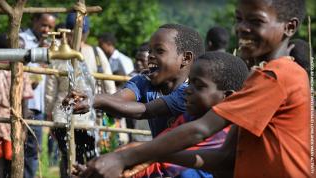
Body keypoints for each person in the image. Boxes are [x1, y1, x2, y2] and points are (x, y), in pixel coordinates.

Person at [74, 0, 311, 177]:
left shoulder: (276, 76)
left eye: (256, 21)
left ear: (289, 27)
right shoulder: (264, 78)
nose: (242, 28)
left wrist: (125, 156)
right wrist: (149, 157)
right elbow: (226, 159)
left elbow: (201, 129)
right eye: (239, 19)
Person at [64, 23, 205, 138]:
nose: (150, 56)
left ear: (185, 58)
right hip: (163, 164)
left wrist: (96, 100)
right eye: (150, 51)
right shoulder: (145, 81)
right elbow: (118, 99)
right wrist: (90, 98)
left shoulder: (189, 93)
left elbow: (145, 111)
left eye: (160, 51)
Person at [128, 51, 249, 178]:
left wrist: (127, 161)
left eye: (199, 86)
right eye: (190, 82)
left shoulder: (223, 134)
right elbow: (160, 146)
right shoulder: (188, 117)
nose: (187, 89)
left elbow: (165, 165)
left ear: (227, 97)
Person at [45, 13, 116, 178]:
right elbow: (110, 84)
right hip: (86, 115)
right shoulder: (96, 53)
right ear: (87, 32)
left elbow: (50, 90)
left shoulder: (58, 54)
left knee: (69, 158)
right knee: (89, 157)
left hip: (65, 114)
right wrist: (112, 107)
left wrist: (49, 113)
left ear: (66, 32)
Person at [19, 13, 56, 178]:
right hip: (23, 102)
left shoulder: (50, 45)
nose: (46, 30)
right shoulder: (21, 40)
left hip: (39, 105)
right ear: (34, 21)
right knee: (18, 147)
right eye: (43, 25)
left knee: (33, 149)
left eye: (50, 27)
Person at [0, 34, 34, 178]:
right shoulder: (20, 71)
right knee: (13, 160)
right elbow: (25, 102)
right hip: (15, 121)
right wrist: (24, 125)